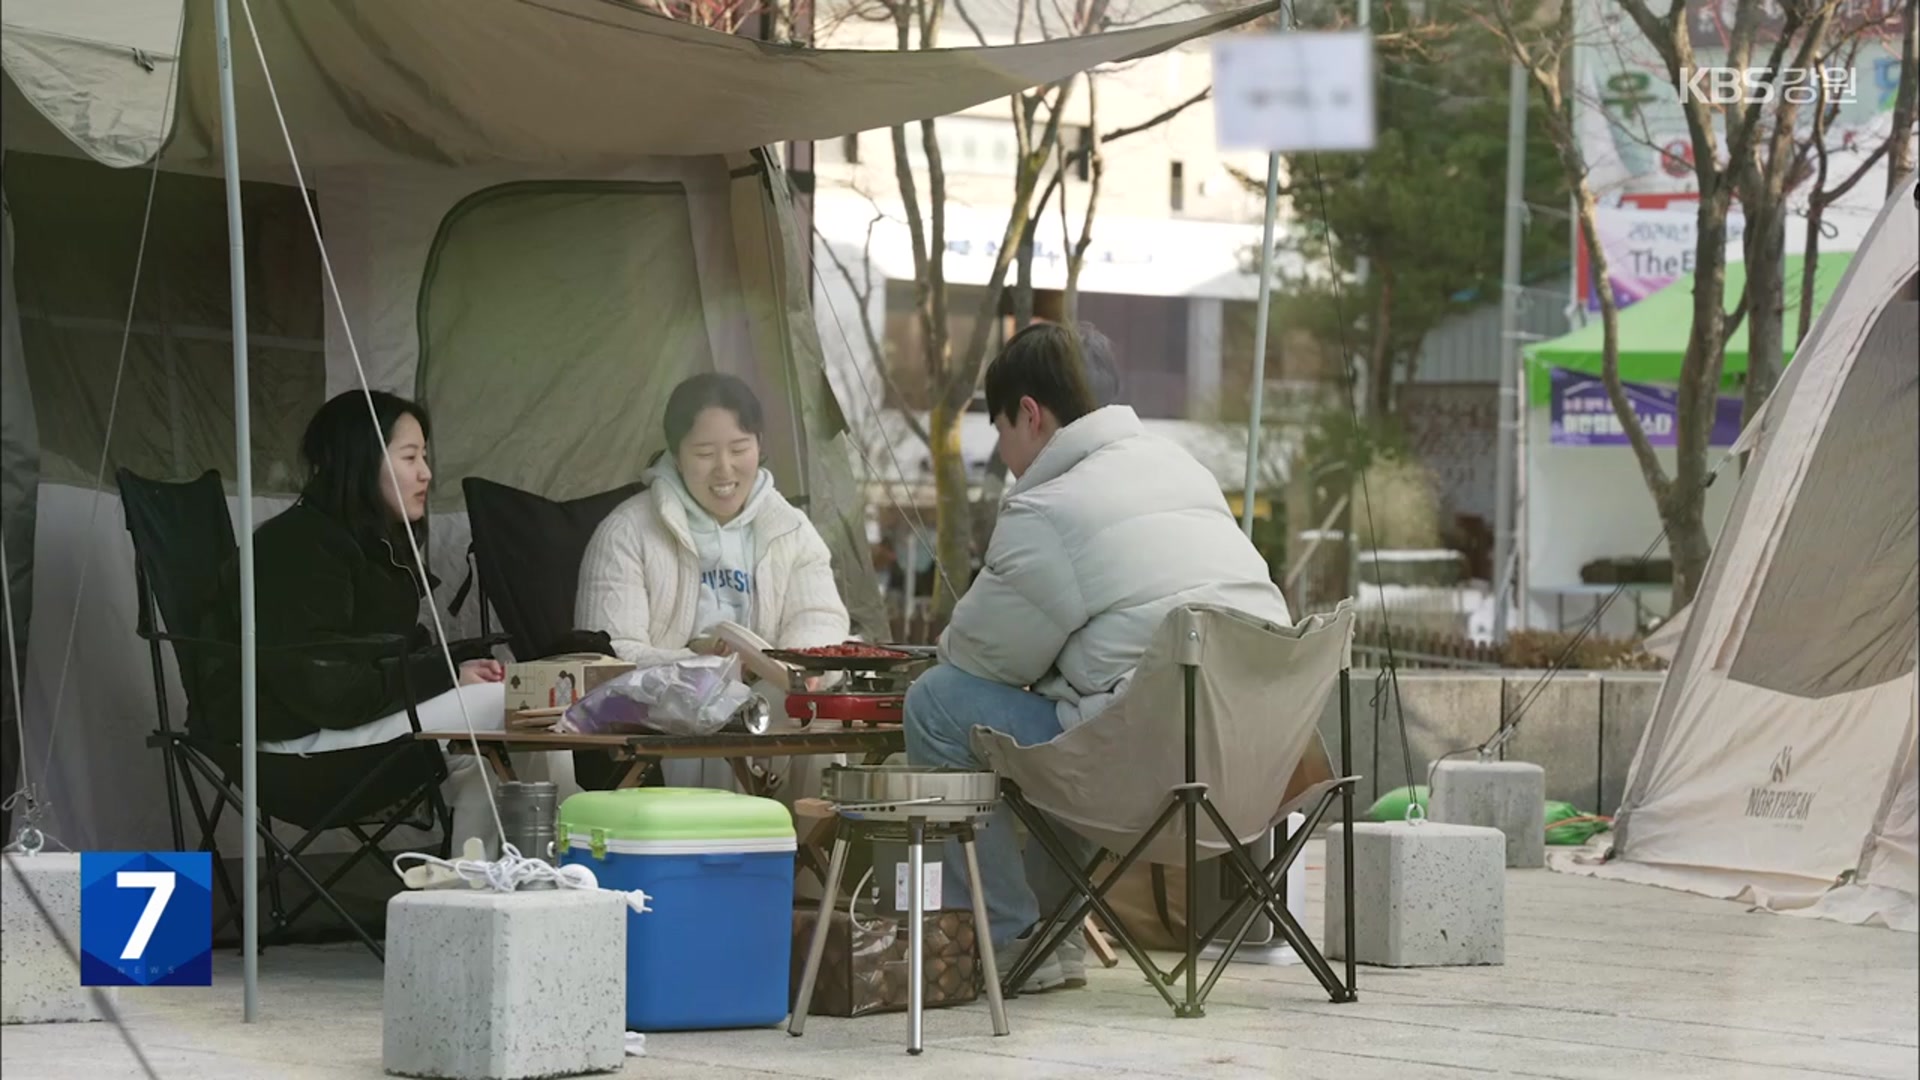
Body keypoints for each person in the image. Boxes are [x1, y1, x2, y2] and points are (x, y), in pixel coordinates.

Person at [904, 322, 1292, 991]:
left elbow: (978, 656)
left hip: (1151, 769)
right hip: (1265, 766)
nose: (1005, 451)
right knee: (1082, 714)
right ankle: (1053, 939)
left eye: (999, 429)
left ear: (1030, 413)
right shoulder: (1182, 466)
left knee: (937, 703)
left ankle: (1003, 941)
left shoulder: (1052, 505)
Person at [201, 389, 571, 855]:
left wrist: (454, 669)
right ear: (360, 461)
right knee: (520, 707)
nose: (426, 473)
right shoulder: (298, 549)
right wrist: (443, 675)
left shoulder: (366, 541)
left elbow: (377, 656)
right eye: (410, 456)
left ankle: (471, 891)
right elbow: (329, 691)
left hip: (340, 724)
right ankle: (566, 865)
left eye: (425, 457)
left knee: (484, 753)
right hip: (293, 748)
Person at [575, 372, 850, 787]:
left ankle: (806, 847)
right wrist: (702, 665)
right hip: (667, 706)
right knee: (708, 706)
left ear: (759, 444)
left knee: (819, 712)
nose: (724, 469)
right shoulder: (628, 531)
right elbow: (606, 656)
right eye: (704, 453)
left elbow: (818, 617)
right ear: (676, 453)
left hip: (766, 693)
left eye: (739, 449)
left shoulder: (790, 529)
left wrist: (798, 668)